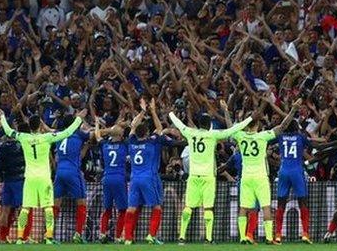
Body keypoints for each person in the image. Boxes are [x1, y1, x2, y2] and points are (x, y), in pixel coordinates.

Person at [169, 99, 253, 245]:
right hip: (208, 177)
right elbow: (232, 130)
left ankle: (182, 237)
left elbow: (178, 124)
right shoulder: (213, 135)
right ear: (209, 126)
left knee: (188, 207)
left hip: (194, 176)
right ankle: (208, 238)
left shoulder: (190, 133)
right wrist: (251, 118)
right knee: (208, 207)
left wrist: (170, 112)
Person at [0, 108, 86, 244]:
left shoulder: (23, 137)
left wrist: (2, 116)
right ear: (39, 126)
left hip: (30, 178)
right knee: (48, 208)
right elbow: (67, 132)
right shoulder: (47, 137)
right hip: (44, 178)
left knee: (25, 208)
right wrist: (78, 119)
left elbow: (8, 131)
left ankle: (20, 238)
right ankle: (49, 237)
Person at [230, 99, 301, 245]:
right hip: (261, 176)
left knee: (243, 207)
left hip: (246, 177)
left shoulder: (240, 136)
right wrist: (293, 110)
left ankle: (243, 237)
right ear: (257, 124)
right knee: (265, 207)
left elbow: (230, 128)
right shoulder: (262, 136)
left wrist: (226, 111)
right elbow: (282, 127)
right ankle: (269, 238)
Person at [124, 101, 180, 245]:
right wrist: (153, 111)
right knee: (156, 207)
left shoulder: (131, 141)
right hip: (149, 178)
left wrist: (142, 111)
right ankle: (151, 235)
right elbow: (160, 128)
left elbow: (133, 126)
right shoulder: (152, 142)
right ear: (148, 133)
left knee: (131, 208)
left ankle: (128, 239)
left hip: (134, 179)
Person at [51, 110, 92, 243]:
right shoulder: (78, 134)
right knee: (81, 203)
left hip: (59, 172)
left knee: (56, 203)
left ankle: (49, 234)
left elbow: (48, 130)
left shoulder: (59, 134)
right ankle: (78, 234)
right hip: (73, 171)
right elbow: (93, 136)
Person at [274, 116, 315, 244]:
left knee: (281, 204)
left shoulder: (280, 136)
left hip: (284, 171)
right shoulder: (301, 137)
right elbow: (314, 145)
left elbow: (267, 142)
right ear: (297, 128)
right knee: (302, 202)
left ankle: (278, 235)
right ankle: (305, 234)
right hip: (297, 171)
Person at [0, 122, 30, 243]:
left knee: (5, 210)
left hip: (7, 181)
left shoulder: (2, 146)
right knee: (23, 210)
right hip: (19, 181)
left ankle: (3, 238)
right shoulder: (23, 145)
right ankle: (23, 237)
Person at [94, 118, 128, 243]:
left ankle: (102, 234)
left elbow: (97, 136)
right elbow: (132, 134)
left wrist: (97, 124)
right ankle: (118, 237)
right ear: (120, 135)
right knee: (123, 210)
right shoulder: (124, 145)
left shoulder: (105, 145)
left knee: (107, 209)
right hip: (119, 178)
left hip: (107, 178)